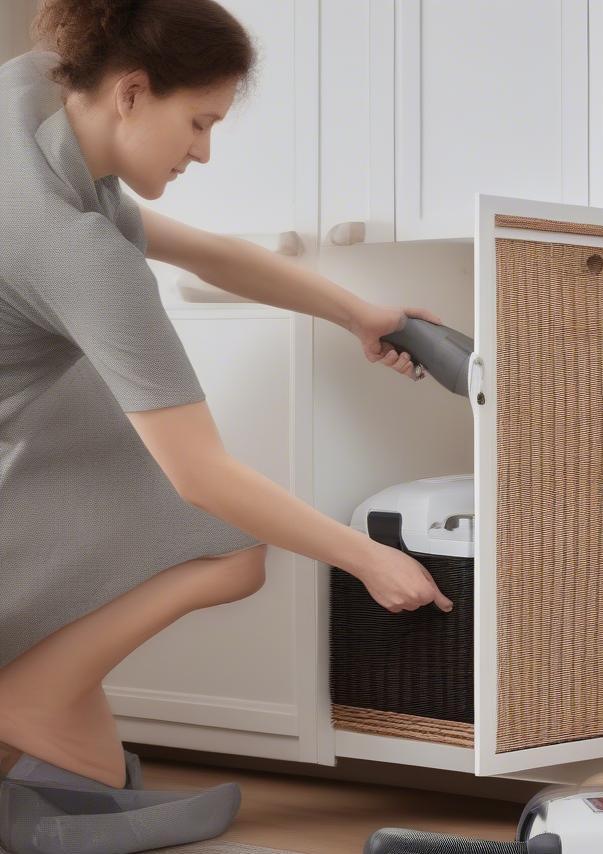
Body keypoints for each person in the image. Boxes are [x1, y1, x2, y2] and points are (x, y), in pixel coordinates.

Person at [0, 0, 454, 793]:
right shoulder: (77, 254)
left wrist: (358, 313)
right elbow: (201, 478)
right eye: (199, 123)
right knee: (231, 545)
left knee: (97, 766)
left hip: (27, 413)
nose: (204, 154)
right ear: (132, 93)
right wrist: (367, 558)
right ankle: (25, 694)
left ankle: (35, 694)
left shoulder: (37, 91)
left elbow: (200, 250)